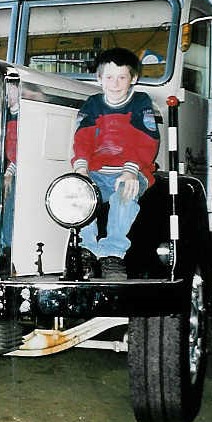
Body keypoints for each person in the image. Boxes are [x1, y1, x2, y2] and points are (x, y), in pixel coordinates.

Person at [71, 48, 161, 279]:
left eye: (122, 77)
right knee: (81, 194)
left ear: (134, 79)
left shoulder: (140, 103)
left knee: (125, 193)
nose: (115, 83)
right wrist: (82, 167)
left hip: (132, 171)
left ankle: (112, 254)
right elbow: (82, 138)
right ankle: (87, 250)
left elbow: (146, 140)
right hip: (99, 172)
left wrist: (131, 170)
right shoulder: (92, 105)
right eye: (109, 77)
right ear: (99, 79)